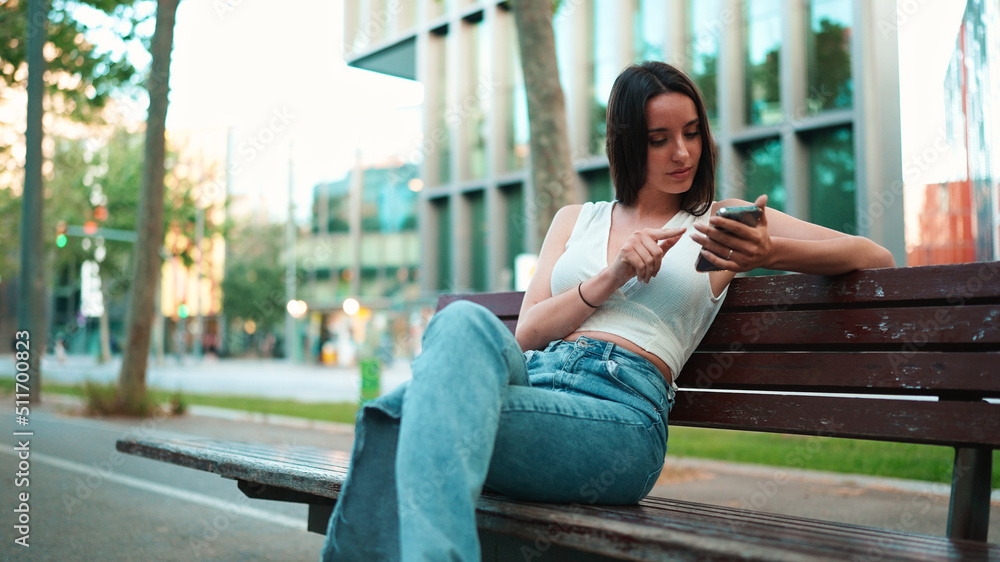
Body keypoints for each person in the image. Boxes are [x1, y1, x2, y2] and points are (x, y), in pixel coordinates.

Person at [321, 61, 895, 561]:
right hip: (534, 381)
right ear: (626, 143)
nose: (682, 152)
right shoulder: (576, 219)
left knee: (398, 416)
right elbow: (527, 333)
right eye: (659, 139)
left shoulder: (720, 221)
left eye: (692, 133)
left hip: (619, 419)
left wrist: (770, 252)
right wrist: (611, 276)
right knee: (459, 321)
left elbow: (877, 257)